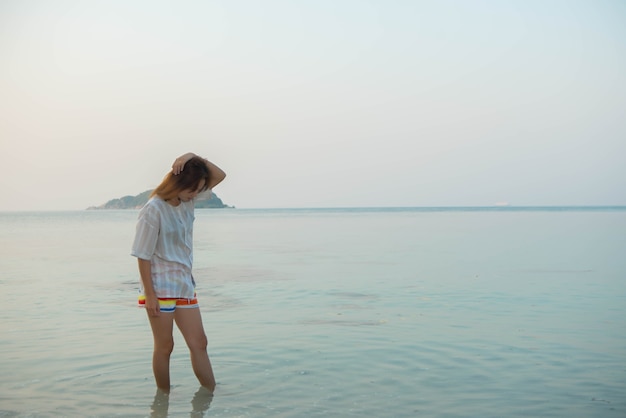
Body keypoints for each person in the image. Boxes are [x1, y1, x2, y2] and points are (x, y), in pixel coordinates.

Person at [131, 152, 226, 393]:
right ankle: (162, 401)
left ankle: (210, 395)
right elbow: (142, 254)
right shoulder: (153, 209)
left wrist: (192, 156)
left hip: (184, 284)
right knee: (165, 346)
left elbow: (220, 175)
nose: (196, 193)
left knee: (199, 343)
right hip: (159, 287)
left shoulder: (187, 202)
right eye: (193, 188)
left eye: (199, 189)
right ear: (179, 183)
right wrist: (149, 295)